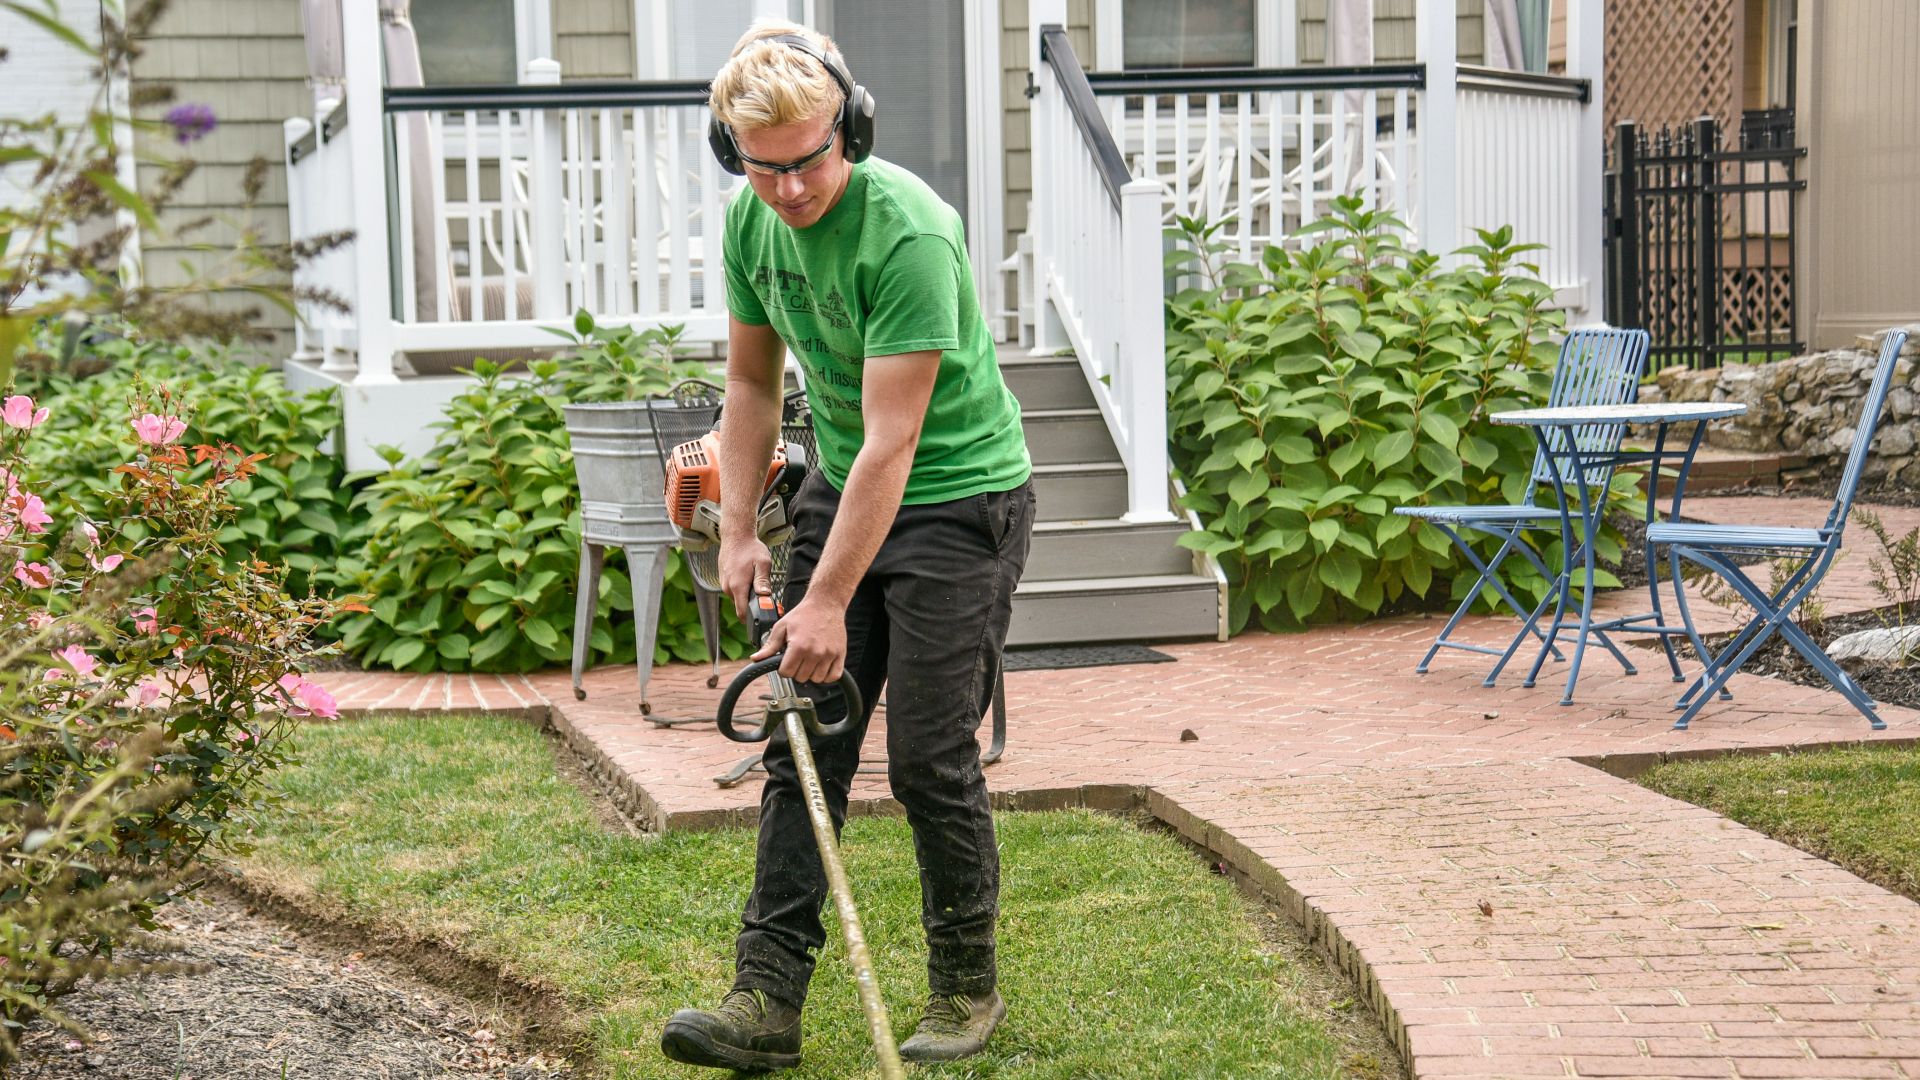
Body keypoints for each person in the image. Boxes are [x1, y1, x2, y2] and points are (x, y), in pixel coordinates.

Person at [658, 19, 1036, 1073]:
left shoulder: (907, 231)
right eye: (760, 167)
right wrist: (736, 529)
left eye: (809, 159)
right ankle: (764, 1001)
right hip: (845, 483)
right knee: (800, 739)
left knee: (925, 754)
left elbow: (894, 440)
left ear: (851, 128)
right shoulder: (753, 221)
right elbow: (747, 385)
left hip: (959, 498)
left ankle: (965, 988)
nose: (786, 189)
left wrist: (824, 602)